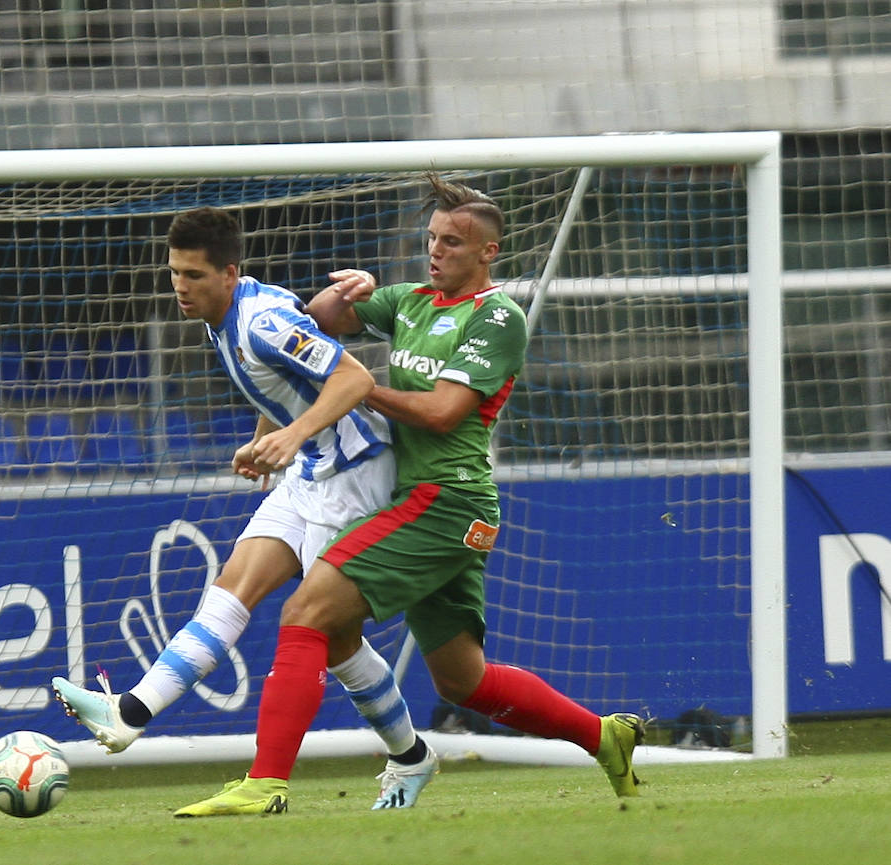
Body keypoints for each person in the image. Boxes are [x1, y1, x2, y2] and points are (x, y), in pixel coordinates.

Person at [174, 176, 644, 817]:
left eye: (453, 242)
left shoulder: (496, 317)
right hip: (415, 501)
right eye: (431, 239)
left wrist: (352, 385)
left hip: (447, 501)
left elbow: (443, 412)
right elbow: (309, 326)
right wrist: (348, 291)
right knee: (464, 681)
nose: (437, 251)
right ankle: (604, 736)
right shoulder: (412, 299)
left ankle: (266, 783)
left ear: (488, 253)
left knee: (308, 612)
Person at [52, 206, 438, 810]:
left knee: (332, 639)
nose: (181, 286)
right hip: (309, 472)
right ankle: (130, 713)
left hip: (354, 476)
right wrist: (269, 436)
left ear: (229, 273)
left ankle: (409, 757)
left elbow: (355, 379)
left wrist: (291, 435)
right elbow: (281, 383)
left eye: (194, 275)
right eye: (175, 272)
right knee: (231, 592)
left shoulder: (262, 322)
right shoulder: (223, 313)